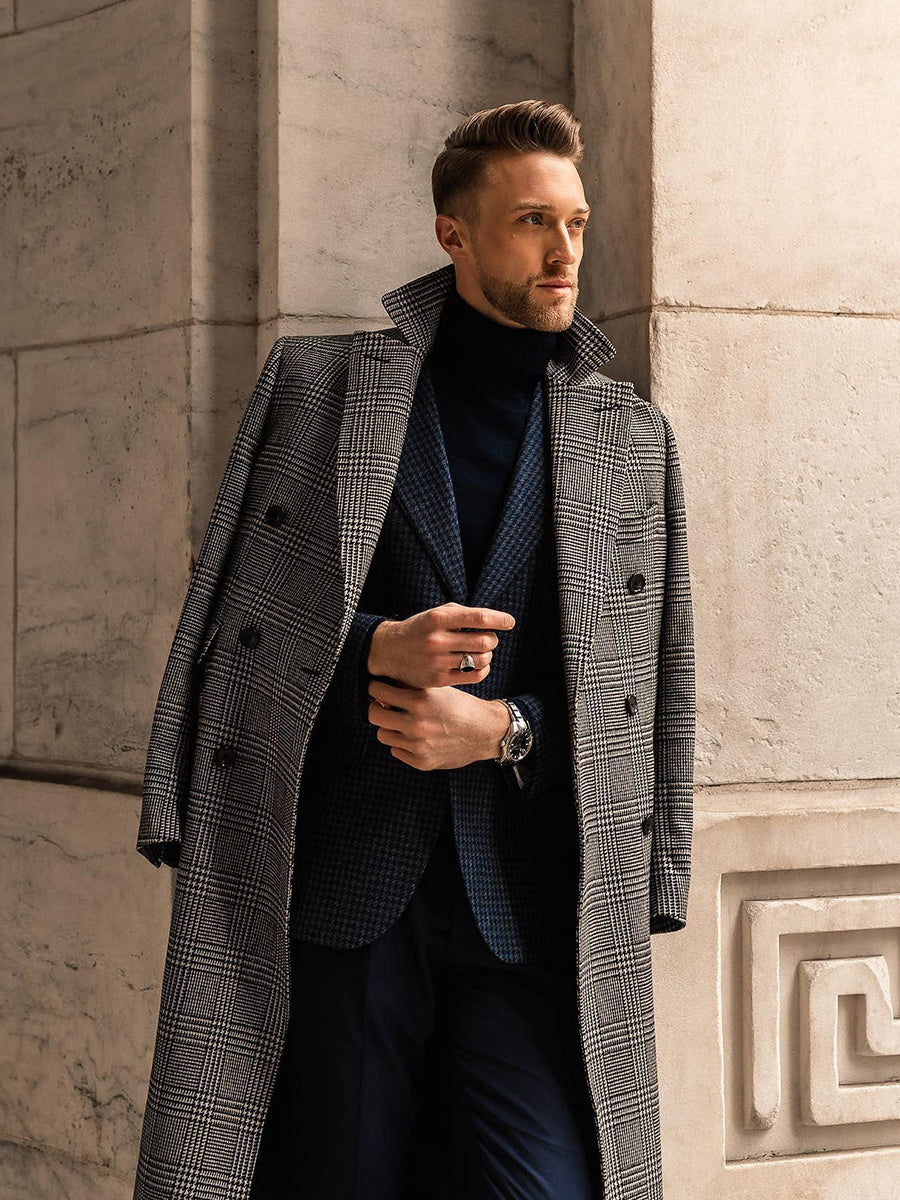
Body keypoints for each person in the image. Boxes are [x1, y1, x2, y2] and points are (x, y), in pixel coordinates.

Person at [135, 98, 695, 1200]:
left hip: (530, 915)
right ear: (454, 232)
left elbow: (655, 684)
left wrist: (508, 729)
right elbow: (231, 628)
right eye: (535, 222)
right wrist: (370, 653)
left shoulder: (631, 436)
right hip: (344, 900)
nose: (566, 250)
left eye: (577, 224)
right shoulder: (317, 388)